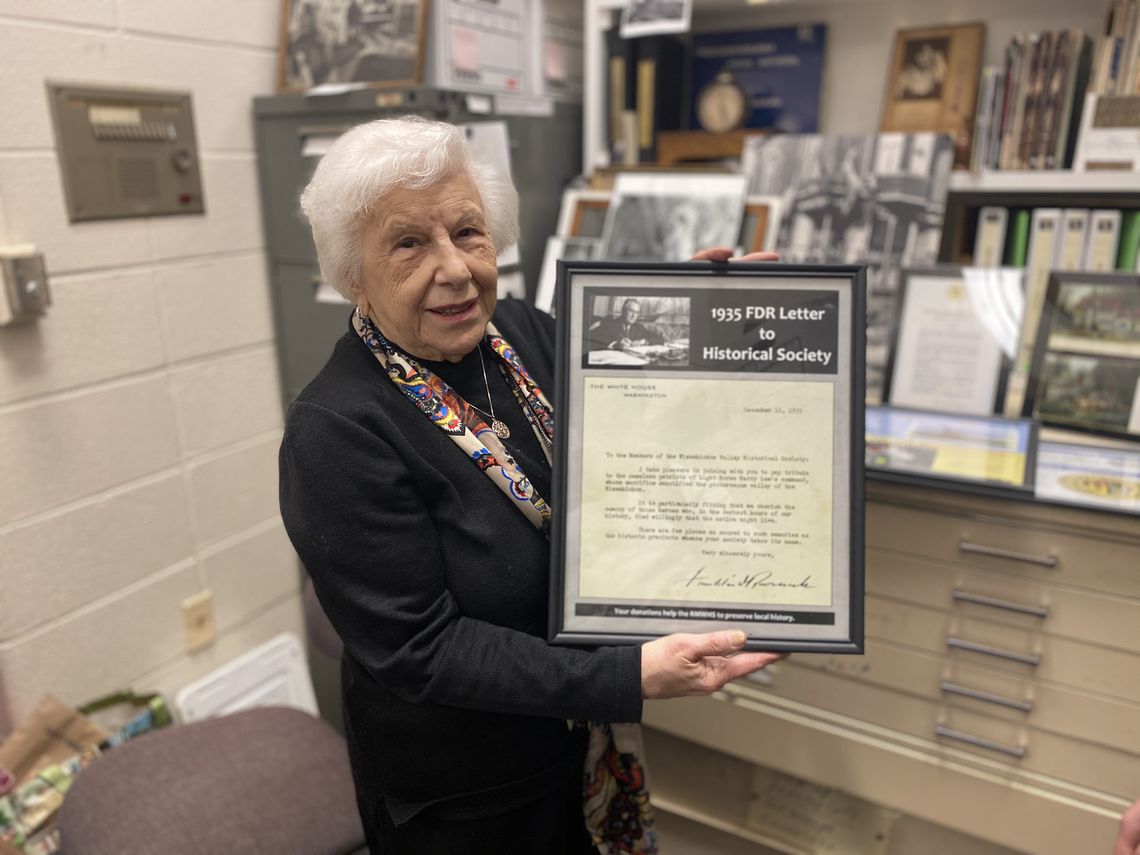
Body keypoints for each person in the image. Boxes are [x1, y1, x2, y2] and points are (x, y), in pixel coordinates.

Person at [279, 115, 782, 854]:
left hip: (580, 748)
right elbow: (423, 648)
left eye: (467, 231)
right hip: (468, 796)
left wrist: (699, 316)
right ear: (353, 273)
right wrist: (623, 673)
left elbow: (628, 404)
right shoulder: (337, 429)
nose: (453, 269)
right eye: (409, 242)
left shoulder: (517, 329)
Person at [591, 298, 665, 350]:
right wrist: (616, 343)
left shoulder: (639, 328)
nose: (633, 316)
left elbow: (660, 339)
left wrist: (645, 341)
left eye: (636, 312)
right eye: (631, 311)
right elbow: (593, 338)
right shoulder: (610, 323)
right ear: (623, 311)